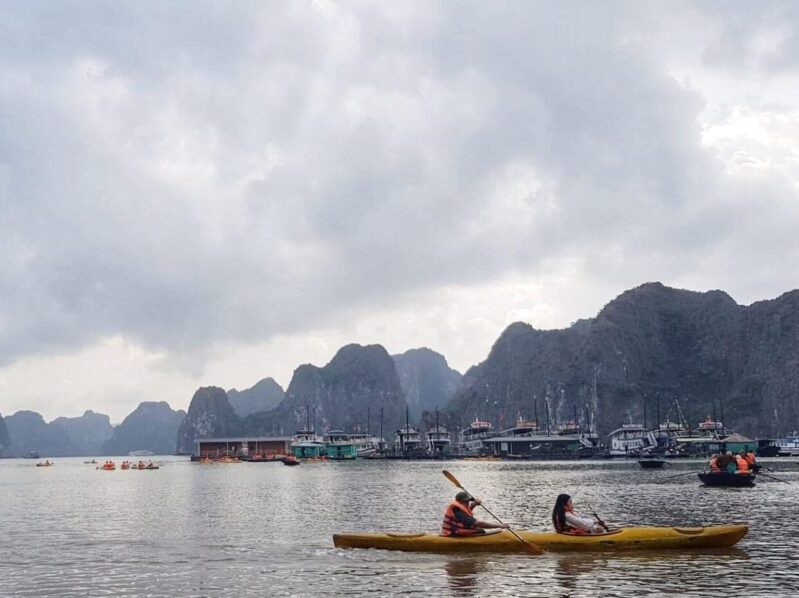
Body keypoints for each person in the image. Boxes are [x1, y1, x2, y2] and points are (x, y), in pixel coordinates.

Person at [440, 491, 509, 537]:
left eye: (468, 501)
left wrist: (474, 505)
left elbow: (466, 514)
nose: (468, 503)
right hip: (452, 533)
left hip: (454, 530)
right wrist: (500, 525)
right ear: (460, 502)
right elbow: (479, 523)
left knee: (478, 529)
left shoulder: (459, 508)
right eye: (466, 501)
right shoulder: (458, 512)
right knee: (480, 530)